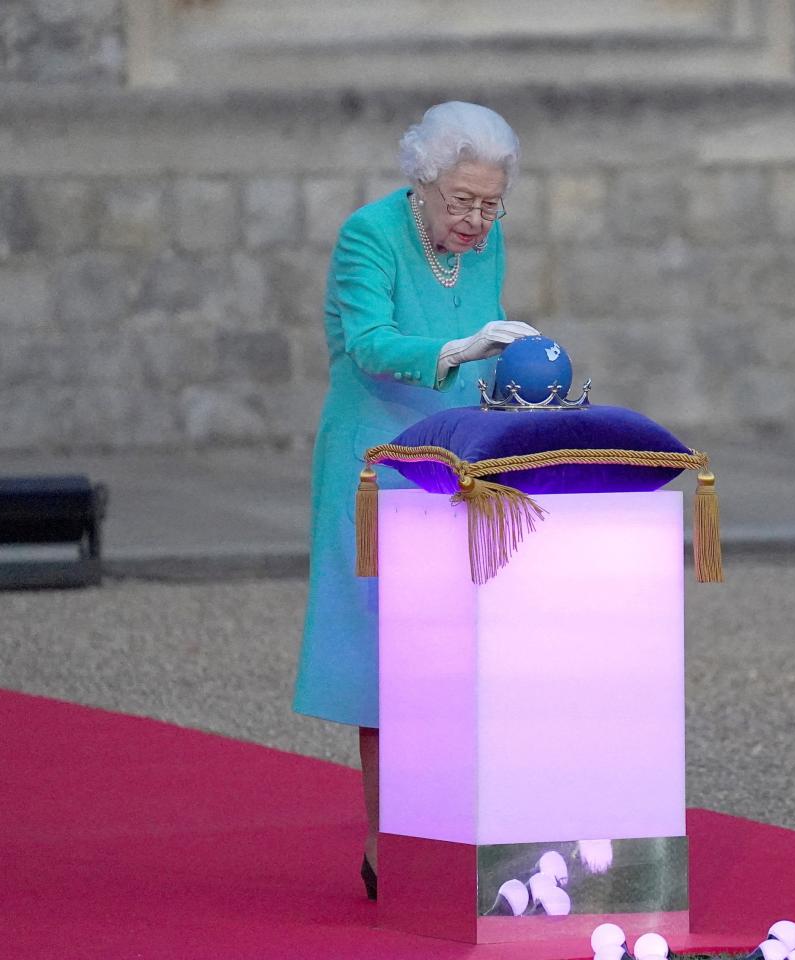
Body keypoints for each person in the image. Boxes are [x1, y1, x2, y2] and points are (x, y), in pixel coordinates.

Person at [292, 101, 536, 901]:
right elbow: (367, 341)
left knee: (464, 653)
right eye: (461, 202)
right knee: (389, 660)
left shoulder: (486, 240)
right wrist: (455, 350)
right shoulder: (370, 234)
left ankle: (464, 831)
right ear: (423, 183)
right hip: (381, 462)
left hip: (463, 454)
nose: (475, 220)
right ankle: (386, 843)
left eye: (490, 204)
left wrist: (523, 388)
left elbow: (488, 337)